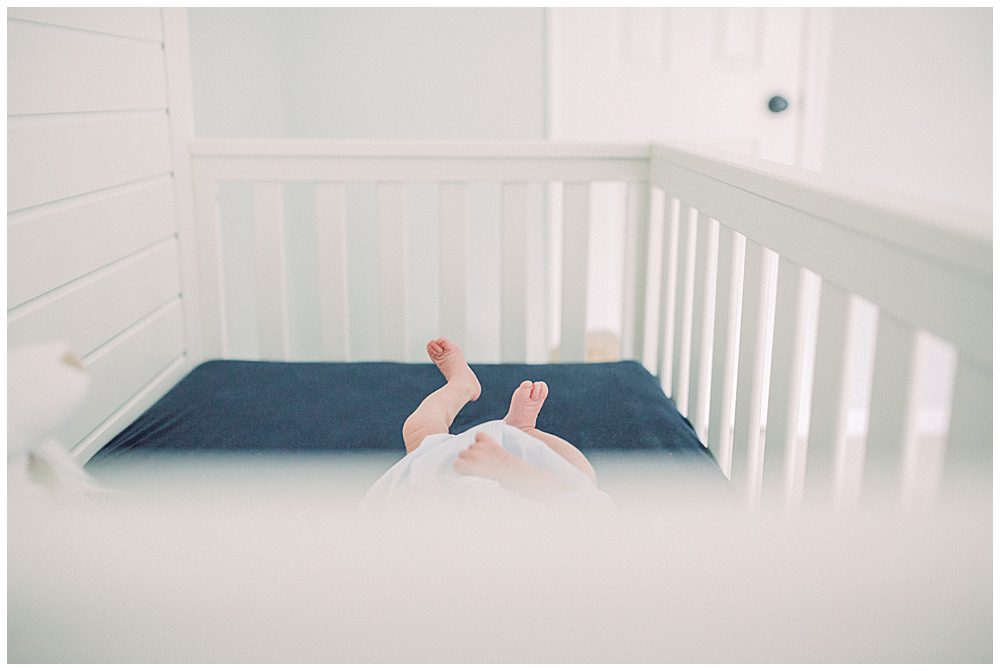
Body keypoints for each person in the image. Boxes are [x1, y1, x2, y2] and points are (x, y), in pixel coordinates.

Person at [400, 337, 599, 501]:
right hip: (508, 483)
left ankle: (462, 386)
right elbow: (576, 505)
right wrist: (504, 468)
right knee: (582, 484)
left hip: (435, 484)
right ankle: (523, 430)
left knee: (418, 431)